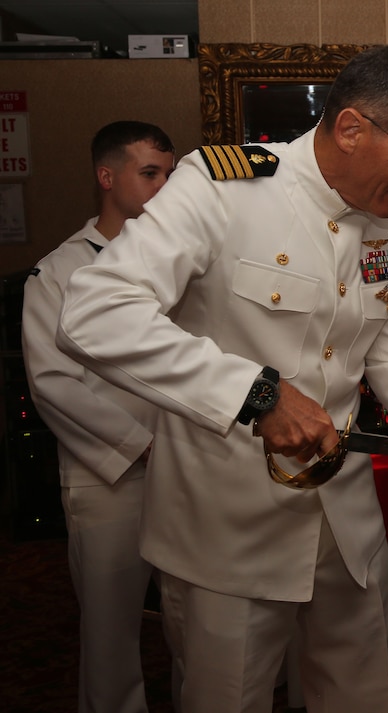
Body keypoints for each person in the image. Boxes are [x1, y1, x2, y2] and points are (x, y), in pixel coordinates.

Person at [55, 46, 388, 713]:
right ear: (350, 128)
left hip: (346, 527)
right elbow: (94, 313)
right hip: (225, 529)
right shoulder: (221, 189)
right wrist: (255, 394)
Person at [21, 120, 175, 713]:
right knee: (111, 631)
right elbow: (52, 383)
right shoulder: (59, 272)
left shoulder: (180, 264)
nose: (164, 185)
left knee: (197, 617)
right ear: (107, 178)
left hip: (189, 468)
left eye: (169, 172)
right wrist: (139, 445)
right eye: (150, 173)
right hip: (110, 474)